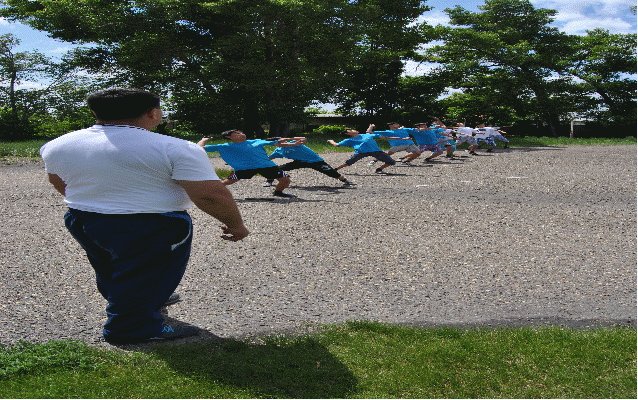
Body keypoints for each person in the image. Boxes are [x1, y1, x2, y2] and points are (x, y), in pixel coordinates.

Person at [40, 88, 249, 345]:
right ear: (153, 113)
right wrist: (236, 224)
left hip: (84, 219)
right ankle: (132, 328)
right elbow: (210, 195)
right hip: (153, 224)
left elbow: (60, 182)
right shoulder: (175, 147)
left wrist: (95, 201)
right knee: (147, 275)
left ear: (95, 113)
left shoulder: (58, 145)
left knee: (111, 268)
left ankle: (133, 301)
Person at [197, 131, 303, 198]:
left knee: (285, 180)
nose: (241, 133)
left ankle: (278, 192)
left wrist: (293, 144)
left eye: (241, 132)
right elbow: (198, 148)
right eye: (237, 133)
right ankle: (208, 192)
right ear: (229, 137)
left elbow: (276, 143)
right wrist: (203, 140)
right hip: (244, 168)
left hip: (267, 165)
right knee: (229, 181)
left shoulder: (256, 141)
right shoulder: (226, 146)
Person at [263, 137, 355, 187]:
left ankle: (345, 181)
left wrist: (287, 138)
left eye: (280, 141)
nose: (280, 143)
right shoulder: (278, 151)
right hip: (300, 161)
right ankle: (269, 181)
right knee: (277, 169)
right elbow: (269, 159)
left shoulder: (294, 143)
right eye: (277, 143)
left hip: (315, 161)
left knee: (330, 172)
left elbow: (304, 139)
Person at [327, 125, 413, 174]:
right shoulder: (348, 140)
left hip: (376, 151)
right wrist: (331, 141)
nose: (353, 130)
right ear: (347, 133)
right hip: (360, 152)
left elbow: (386, 137)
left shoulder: (367, 135)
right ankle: (334, 170)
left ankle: (379, 169)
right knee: (349, 162)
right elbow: (337, 145)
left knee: (392, 162)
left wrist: (403, 139)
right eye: (351, 130)